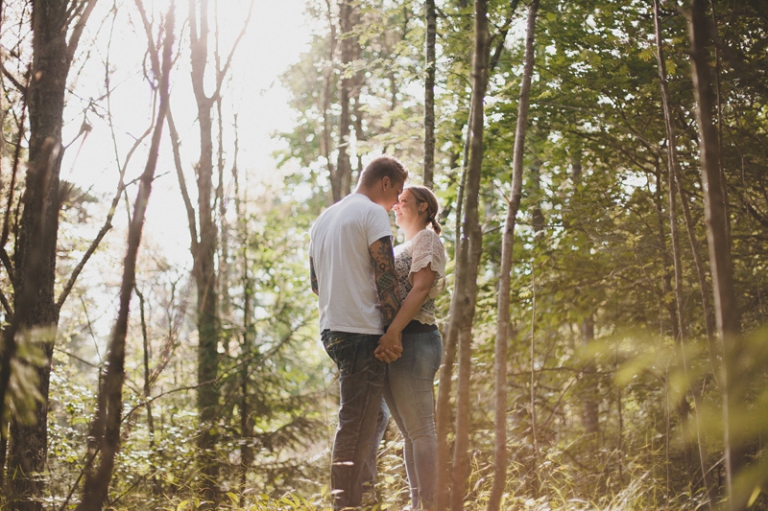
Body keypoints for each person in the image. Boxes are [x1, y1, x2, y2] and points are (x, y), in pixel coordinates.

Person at [309, 155, 408, 510]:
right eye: (396, 191)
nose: (397, 201)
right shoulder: (372, 213)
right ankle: (345, 505)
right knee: (356, 421)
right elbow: (386, 276)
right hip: (361, 332)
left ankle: (363, 495)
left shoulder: (324, 218)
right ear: (384, 182)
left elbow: (315, 283)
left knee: (374, 414)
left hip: (332, 331)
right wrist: (394, 331)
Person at [374, 185, 446, 510]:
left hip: (416, 339)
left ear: (423, 208)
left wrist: (392, 332)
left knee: (421, 430)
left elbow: (420, 288)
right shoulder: (403, 245)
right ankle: (417, 504)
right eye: (396, 202)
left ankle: (430, 505)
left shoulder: (427, 239)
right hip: (396, 342)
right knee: (410, 434)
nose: (396, 206)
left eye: (403, 202)